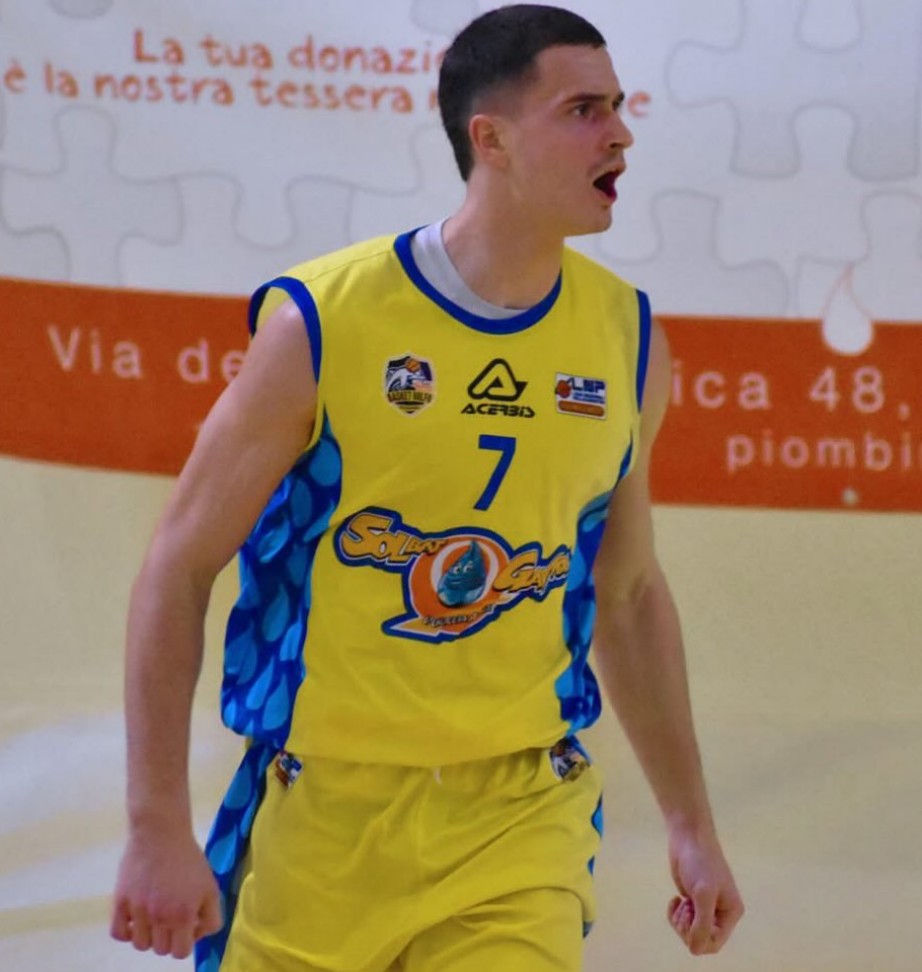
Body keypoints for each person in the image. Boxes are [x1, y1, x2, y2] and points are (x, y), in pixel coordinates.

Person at [110, 5, 744, 970]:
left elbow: (627, 594)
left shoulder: (629, 339)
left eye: (618, 106)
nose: (620, 133)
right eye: (583, 109)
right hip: (322, 815)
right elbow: (178, 566)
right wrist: (156, 825)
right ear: (491, 139)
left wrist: (691, 825)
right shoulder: (321, 320)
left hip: (520, 814)